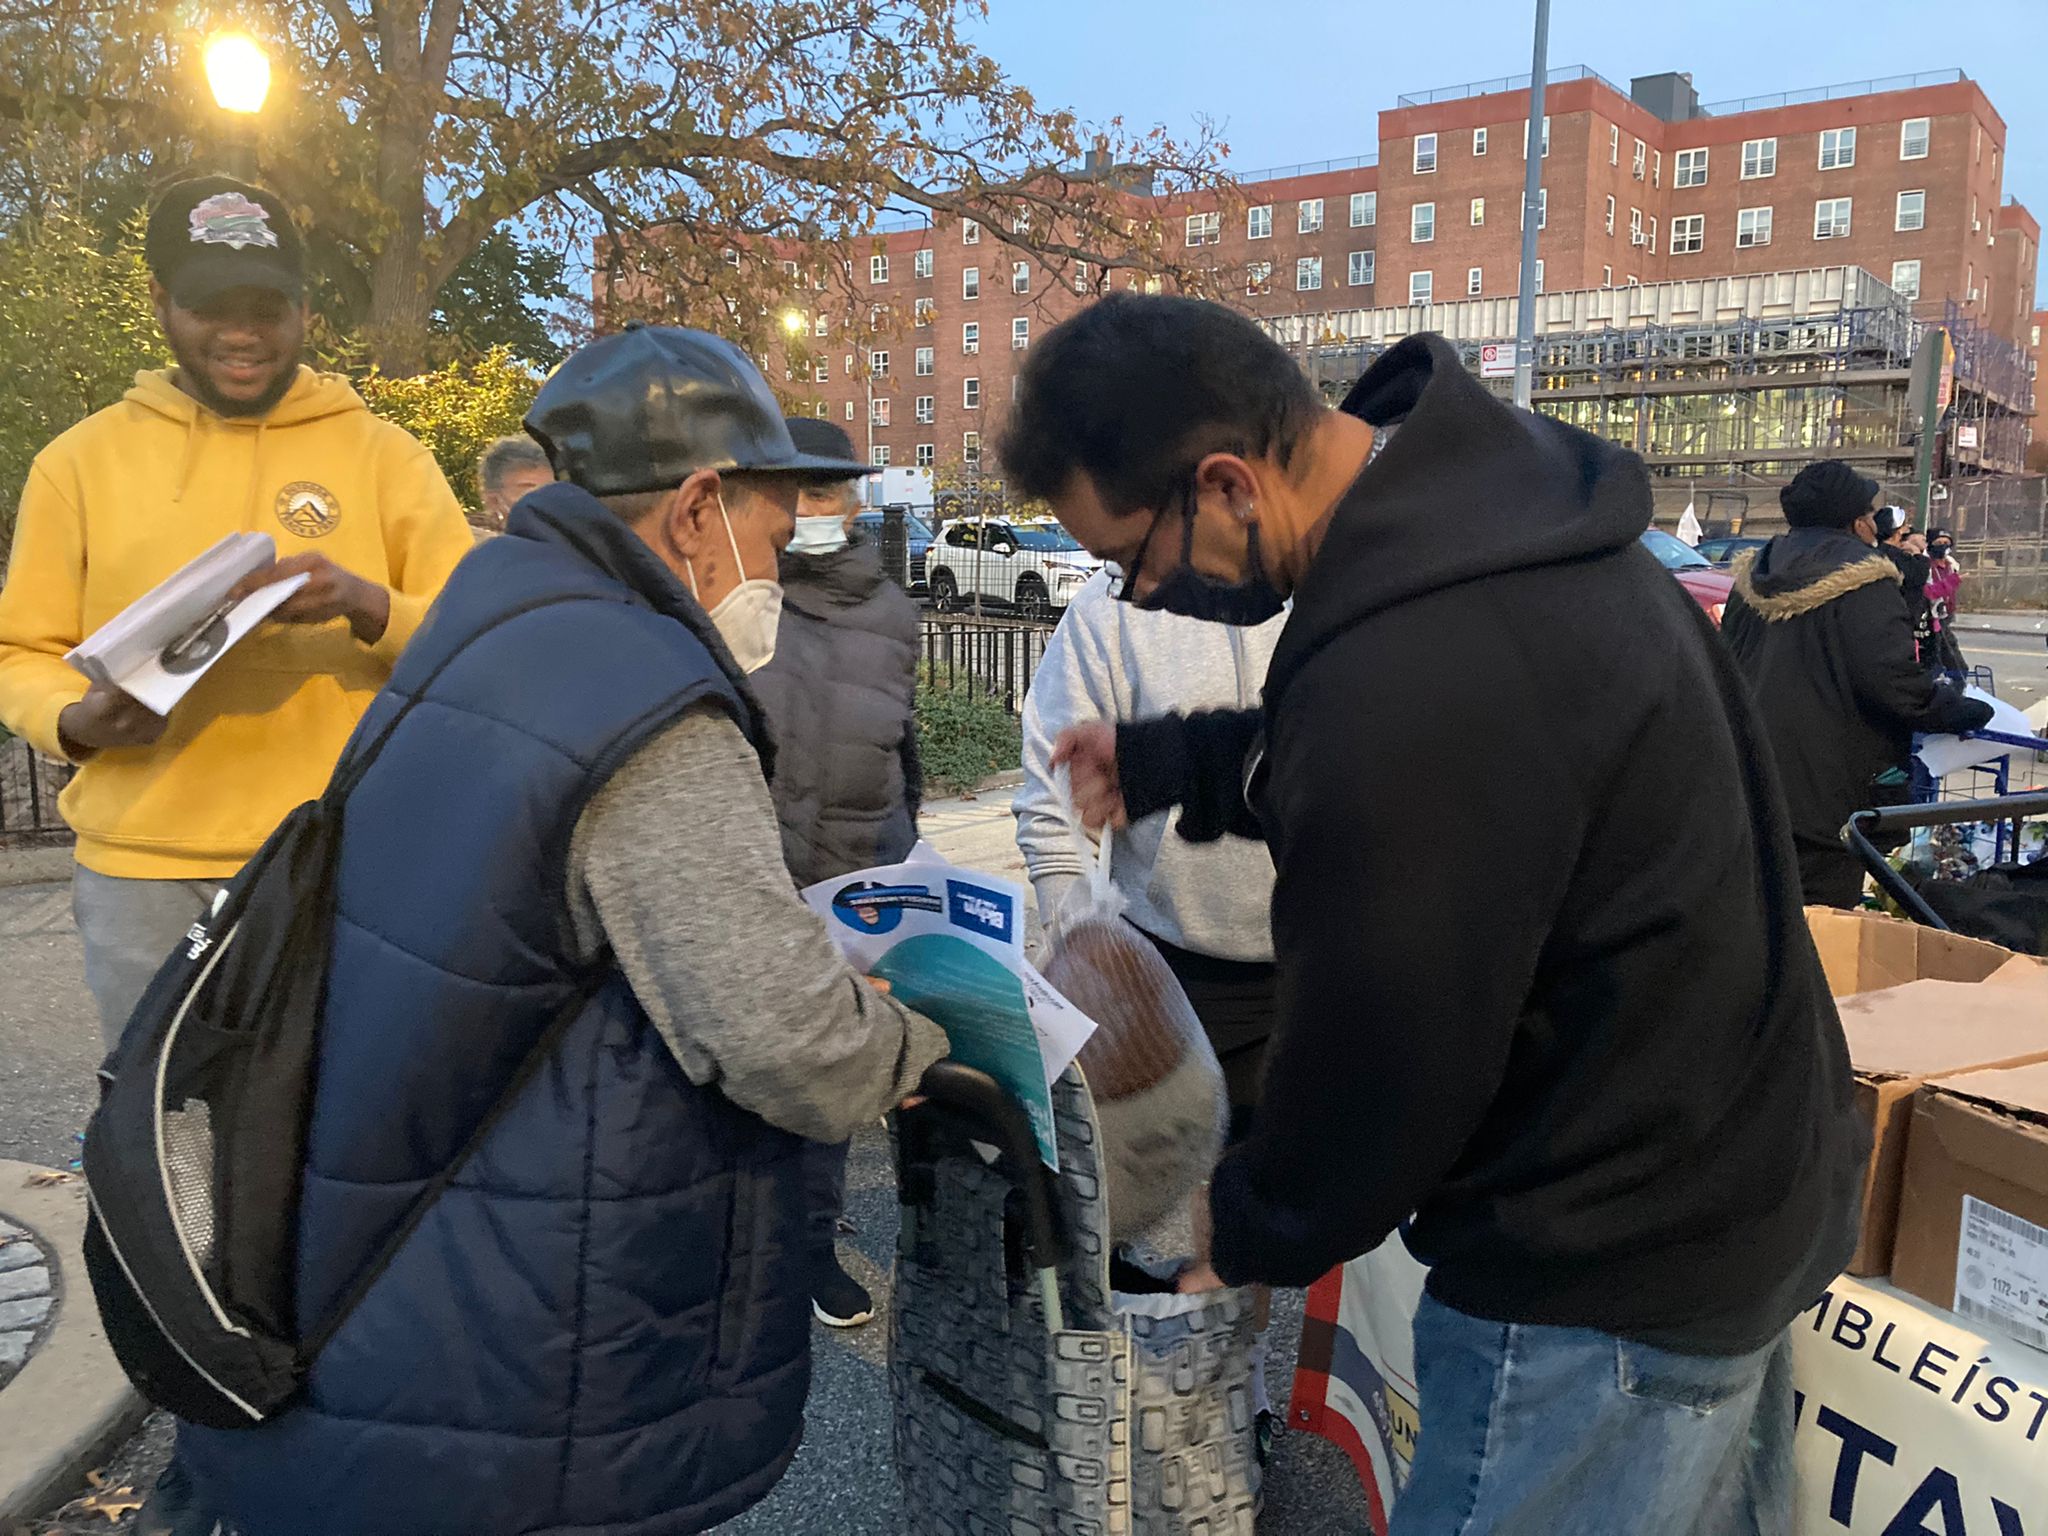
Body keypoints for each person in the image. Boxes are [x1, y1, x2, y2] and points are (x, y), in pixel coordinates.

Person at [1000, 293, 1865, 1535]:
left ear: (1228, 485)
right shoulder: (1495, 532)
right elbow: (1405, 765)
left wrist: (1244, 1221)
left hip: (1602, 1264)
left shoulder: (1411, 659)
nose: (1139, 597)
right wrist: (1168, 765)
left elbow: (1381, 1049)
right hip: (1734, 1186)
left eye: (1133, 557)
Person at [176, 324, 950, 1536]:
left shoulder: (496, 617)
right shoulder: (648, 703)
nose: (775, 572)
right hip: (522, 1335)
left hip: (393, 1237)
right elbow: (781, 1038)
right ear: (696, 510)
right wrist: (910, 1046)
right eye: (767, 535)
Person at [0, 173, 475, 1049]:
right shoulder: (78, 464)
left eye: (268, 308)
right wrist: (74, 720)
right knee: (162, 1114)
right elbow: (20, 650)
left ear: (307, 310)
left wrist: (367, 605)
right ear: (159, 300)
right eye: (210, 307)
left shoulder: (385, 457)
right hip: (142, 874)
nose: (242, 334)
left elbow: (479, 638)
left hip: (341, 858)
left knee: (340, 1113)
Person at [1013, 572, 1285, 1438]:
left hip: (1310, 953)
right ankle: (1132, 1408)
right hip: (1160, 959)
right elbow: (1051, 791)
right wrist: (1078, 937)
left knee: (1259, 1199)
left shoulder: (1332, 585)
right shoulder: (1110, 608)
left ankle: (1235, 1393)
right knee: (1139, 1203)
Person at [749, 415, 922, 1330]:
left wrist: (902, 848)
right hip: (755, 879)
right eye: (804, 490)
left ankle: (813, 1244)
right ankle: (752, 1236)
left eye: (835, 489)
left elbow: (903, 744)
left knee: (831, 1075)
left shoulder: (890, 610)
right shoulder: (729, 601)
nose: (823, 507)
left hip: (858, 877)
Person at [1722, 462, 1992, 909]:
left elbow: (1725, 664)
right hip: (1829, 792)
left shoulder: (1755, 574)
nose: (1872, 523)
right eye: (1869, 512)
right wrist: (1963, 710)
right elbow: (1892, 683)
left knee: (1758, 909)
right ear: (1854, 521)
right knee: (1821, 918)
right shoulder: (1865, 580)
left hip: (1749, 777)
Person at [1872, 505, 1936, 664]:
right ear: (1897, 532)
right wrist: (1917, 554)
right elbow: (1919, 576)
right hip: (1900, 624)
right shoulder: (1899, 557)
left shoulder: (1872, 553)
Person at [475, 433, 555, 533]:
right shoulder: (467, 540)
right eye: (530, 493)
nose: (546, 502)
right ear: (493, 501)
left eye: (553, 491)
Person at [1925, 527, 1968, 673]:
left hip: (1945, 615)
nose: (1943, 546)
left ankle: (1957, 679)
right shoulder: (1927, 566)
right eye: (1938, 543)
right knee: (1945, 657)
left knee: (1954, 657)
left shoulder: (1951, 566)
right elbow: (1930, 591)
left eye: (1946, 543)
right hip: (1931, 618)